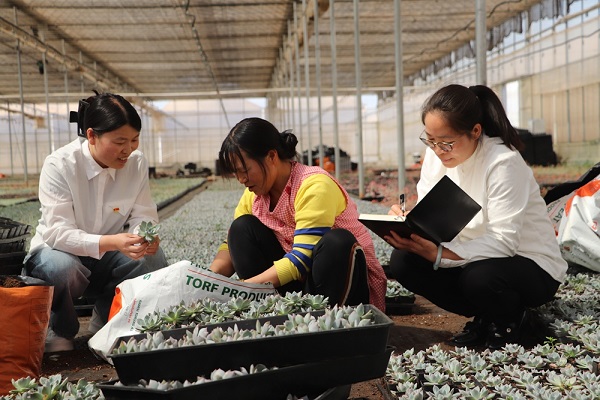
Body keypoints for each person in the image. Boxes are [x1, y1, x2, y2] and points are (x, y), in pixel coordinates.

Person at [386, 84, 567, 349]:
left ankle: (514, 321)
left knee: (479, 278)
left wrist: (440, 254)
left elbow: (504, 243)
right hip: (471, 258)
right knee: (404, 261)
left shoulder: (502, 162)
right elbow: (433, 214)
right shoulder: (435, 156)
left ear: (475, 132)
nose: (438, 150)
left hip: (529, 264)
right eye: (430, 140)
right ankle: (486, 315)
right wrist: (408, 222)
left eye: (446, 142)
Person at [24, 92, 168, 352]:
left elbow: (144, 213)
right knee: (60, 268)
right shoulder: (60, 165)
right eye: (120, 141)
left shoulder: (136, 163)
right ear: (91, 136)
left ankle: (108, 321)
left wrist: (144, 236)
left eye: (134, 139)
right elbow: (58, 233)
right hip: (60, 253)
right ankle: (61, 329)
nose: (128, 149)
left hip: (107, 256)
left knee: (151, 259)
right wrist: (111, 242)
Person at [209, 117, 387, 311]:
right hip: (299, 284)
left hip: (340, 282)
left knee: (337, 242)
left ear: (271, 156)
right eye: (236, 173)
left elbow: (301, 259)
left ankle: (327, 320)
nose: (241, 179)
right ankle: (273, 312)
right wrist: (207, 279)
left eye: (244, 170)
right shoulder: (254, 194)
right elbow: (230, 246)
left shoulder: (313, 184)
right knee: (241, 228)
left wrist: (245, 288)